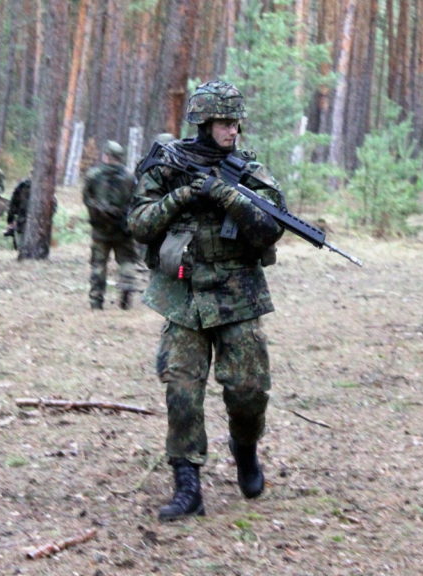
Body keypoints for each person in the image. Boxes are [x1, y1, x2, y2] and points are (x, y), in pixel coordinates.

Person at [128, 80, 285, 521]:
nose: (233, 130)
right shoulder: (167, 166)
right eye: (224, 123)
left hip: (239, 295)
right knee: (181, 391)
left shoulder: (249, 168)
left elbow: (271, 226)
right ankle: (187, 485)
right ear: (202, 122)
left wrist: (227, 195)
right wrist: (183, 195)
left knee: (248, 391)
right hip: (182, 295)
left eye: (236, 122)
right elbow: (139, 223)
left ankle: (245, 449)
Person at [82, 140, 140, 310]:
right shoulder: (130, 177)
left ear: (106, 155)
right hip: (123, 229)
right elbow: (135, 201)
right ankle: (126, 294)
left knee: (98, 264)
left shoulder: (93, 175)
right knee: (127, 261)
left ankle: (96, 301)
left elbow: (86, 199)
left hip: (100, 230)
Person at [5, 178, 31, 249]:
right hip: (21, 220)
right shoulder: (22, 186)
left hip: (38, 222)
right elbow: (13, 203)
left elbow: (53, 204)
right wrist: (10, 220)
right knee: (20, 246)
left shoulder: (44, 187)